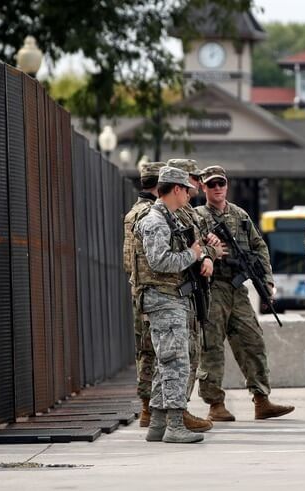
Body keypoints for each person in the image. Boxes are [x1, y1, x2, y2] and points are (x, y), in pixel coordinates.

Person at [195, 165, 295, 421]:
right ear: (203, 187)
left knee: (253, 341)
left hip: (237, 289)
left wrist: (267, 280)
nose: (218, 188)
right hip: (211, 288)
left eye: (221, 183)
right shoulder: (196, 217)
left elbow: (259, 246)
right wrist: (210, 250)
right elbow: (191, 247)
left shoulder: (240, 215)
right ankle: (215, 404)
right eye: (212, 184)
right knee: (212, 346)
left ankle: (262, 399)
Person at [133, 166, 213, 444]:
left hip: (171, 299)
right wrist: (191, 255)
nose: (189, 196)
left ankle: (157, 424)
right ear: (176, 189)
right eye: (187, 191)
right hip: (164, 299)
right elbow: (160, 262)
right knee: (176, 362)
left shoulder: (169, 218)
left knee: (165, 362)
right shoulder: (156, 221)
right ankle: (175, 426)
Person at [164, 158, 221, 432]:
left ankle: (179, 410)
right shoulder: (162, 216)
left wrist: (207, 257)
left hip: (190, 290)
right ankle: (172, 414)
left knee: (190, 354)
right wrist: (197, 255)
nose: (195, 185)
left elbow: (202, 243)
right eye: (191, 180)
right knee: (173, 357)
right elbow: (159, 260)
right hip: (168, 294)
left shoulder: (186, 213)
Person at [123, 161, 164, 427]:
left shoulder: (132, 213)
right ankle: (153, 406)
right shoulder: (153, 214)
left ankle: (146, 406)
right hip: (156, 288)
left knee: (144, 349)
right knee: (159, 350)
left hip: (138, 287)